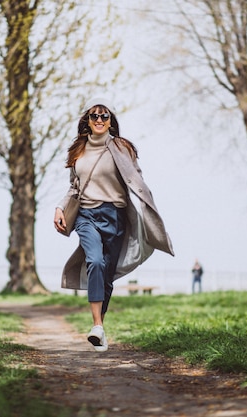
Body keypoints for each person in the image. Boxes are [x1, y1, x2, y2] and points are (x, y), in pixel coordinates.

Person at [54, 97, 174, 352]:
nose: (99, 120)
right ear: (87, 120)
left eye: (104, 116)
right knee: (94, 261)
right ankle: (97, 325)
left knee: (106, 274)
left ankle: (100, 327)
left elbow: (137, 179)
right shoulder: (78, 150)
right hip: (86, 215)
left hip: (115, 216)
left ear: (111, 121)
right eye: (94, 116)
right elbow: (73, 186)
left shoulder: (122, 148)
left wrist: (148, 206)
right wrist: (59, 207)